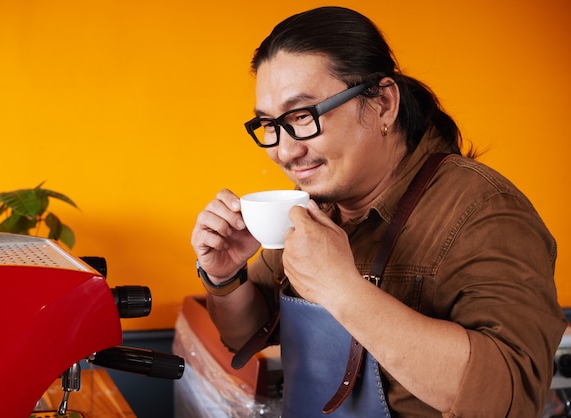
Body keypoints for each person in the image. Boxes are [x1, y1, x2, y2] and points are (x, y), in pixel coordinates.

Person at [190, 6, 566, 417]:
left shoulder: (484, 212)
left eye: (303, 116)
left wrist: (342, 290)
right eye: (270, 125)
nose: (283, 151)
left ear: (384, 103)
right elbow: (244, 332)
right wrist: (225, 276)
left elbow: (509, 398)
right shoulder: (316, 207)